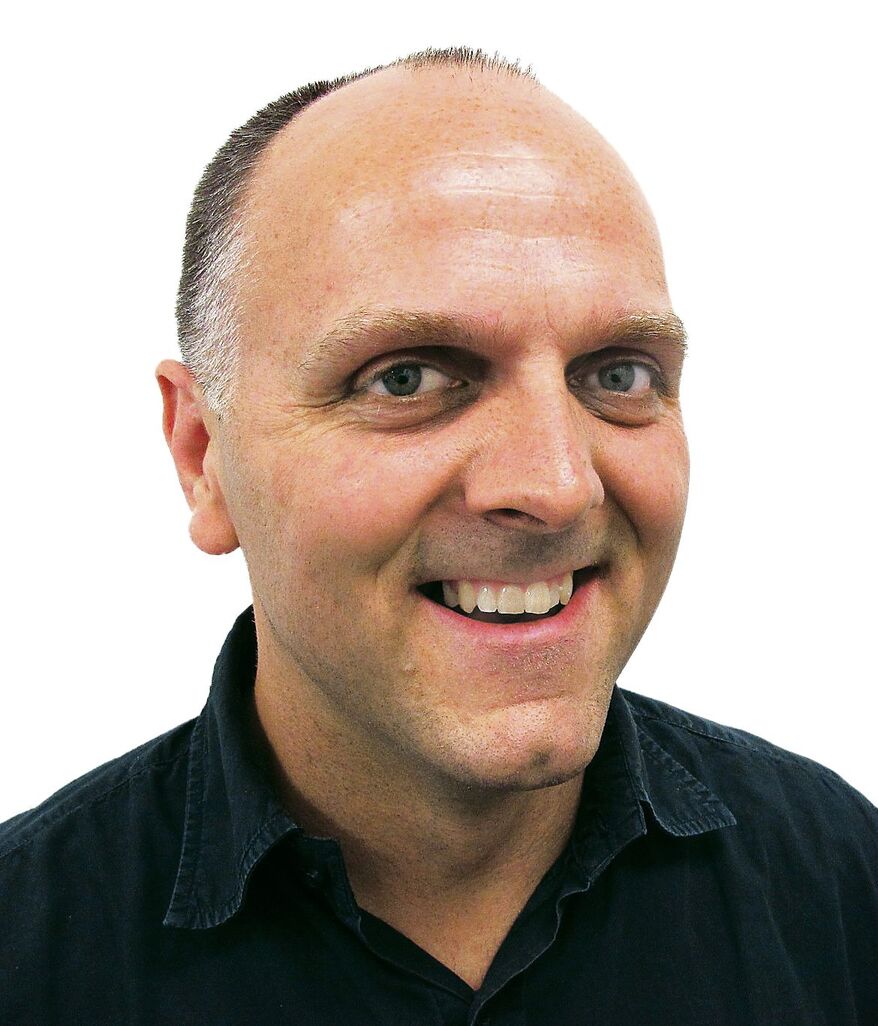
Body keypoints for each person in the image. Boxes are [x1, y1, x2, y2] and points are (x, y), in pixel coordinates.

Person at [1, 45, 875, 1025]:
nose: (555, 486)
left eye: (617, 375)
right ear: (203, 454)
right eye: (406, 378)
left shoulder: (842, 892)